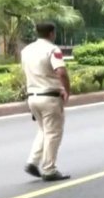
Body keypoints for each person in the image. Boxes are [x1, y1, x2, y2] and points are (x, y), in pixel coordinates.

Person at [21, 22, 71, 181]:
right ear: (51, 33)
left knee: (43, 130)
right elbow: (61, 72)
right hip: (50, 97)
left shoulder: (26, 50)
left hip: (32, 97)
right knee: (53, 133)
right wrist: (67, 90)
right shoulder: (52, 49)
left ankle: (32, 162)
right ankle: (49, 169)